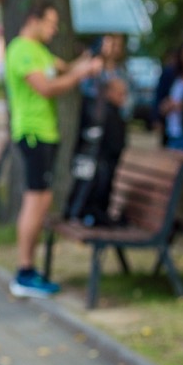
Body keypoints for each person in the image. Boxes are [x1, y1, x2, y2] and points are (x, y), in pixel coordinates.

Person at [5, 1, 102, 298]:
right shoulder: (22, 50)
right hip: (33, 134)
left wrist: (87, 61)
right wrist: (81, 75)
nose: (54, 29)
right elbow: (46, 87)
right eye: (50, 23)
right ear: (34, 20)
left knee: (42, 200)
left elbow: (66, 68)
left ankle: (29, 269)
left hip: (46, 134)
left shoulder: (40, 51)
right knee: (35, 201)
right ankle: (24, 272)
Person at [65, 33, 130, 226]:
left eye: (116, 45)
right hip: (95, 127)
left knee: (106, 169)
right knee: (90, 170)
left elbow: (127, 101)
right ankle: (81, 210)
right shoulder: (93, 69)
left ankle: (96, 210)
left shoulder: (121, 71)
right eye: (108, 44)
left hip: (113, 127)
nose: (112, 49)